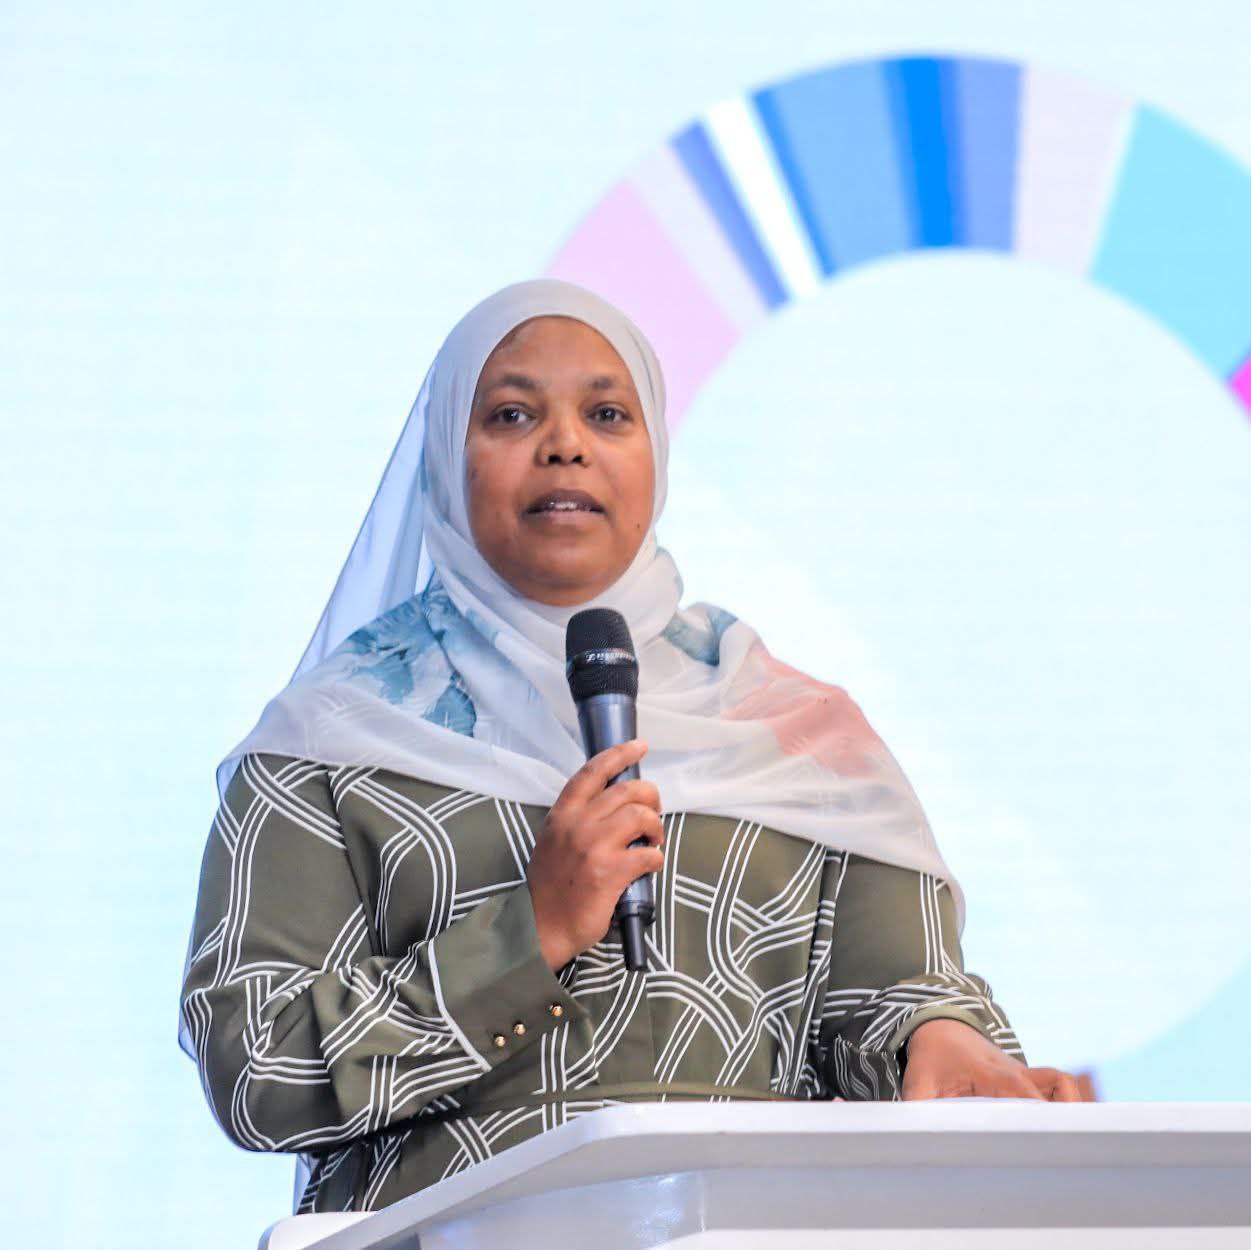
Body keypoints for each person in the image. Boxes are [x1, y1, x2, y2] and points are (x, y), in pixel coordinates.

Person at [179, 279, 1082, 1216]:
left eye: (607, 414)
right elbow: (253, 1068)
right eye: (512, 414)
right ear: (446, 458)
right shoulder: (331, 744)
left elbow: (899, 991)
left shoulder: (794, 735)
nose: (564, 444)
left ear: (655, 454)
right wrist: (528, 933)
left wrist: (939, 1040)